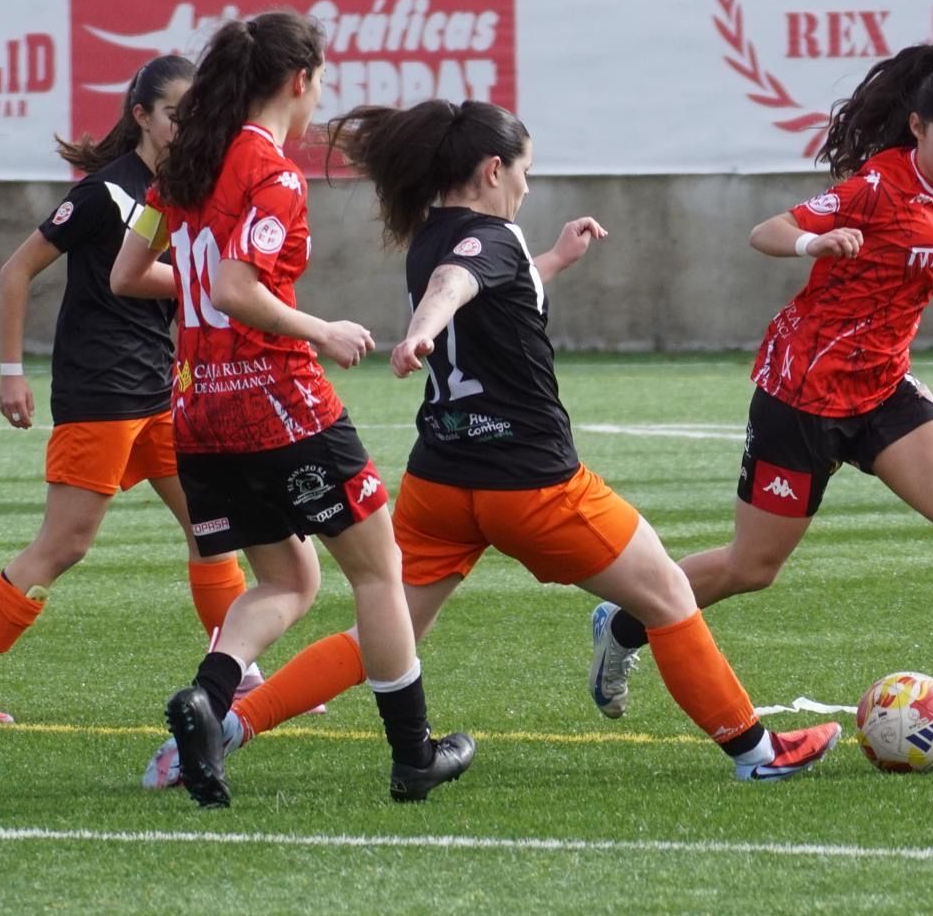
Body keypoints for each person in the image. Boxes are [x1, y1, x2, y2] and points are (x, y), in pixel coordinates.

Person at [141, 98, 840, 789]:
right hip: (533, 485)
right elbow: (462, 282)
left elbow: (486, 281)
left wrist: (554, 260)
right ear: (493, 168)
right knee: (666, 598)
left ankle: (229, 726)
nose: (529, 186)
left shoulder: (428, 237)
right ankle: (757, 752)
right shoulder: (482, 244)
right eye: (525, 171)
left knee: (387, 636)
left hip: (443, 482)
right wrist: (423, 326)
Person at [587, 44, 933, 750]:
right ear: (916, 128)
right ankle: (623, 623)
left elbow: (917, 260)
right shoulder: (875, 185)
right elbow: (769, 231)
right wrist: (812, 245)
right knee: (751, 568)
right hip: (803, 393)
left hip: (882, 386)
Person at [111, 11, 468, 807]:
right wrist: (322, 328)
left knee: (288, 577)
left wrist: (205, 291)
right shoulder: (272, 173)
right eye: (321, 81)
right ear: (299, 80)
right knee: (380, 571)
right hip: (275, 402)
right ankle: (414, 754)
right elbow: (239, 288)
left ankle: (206, 699)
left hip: (198, 409)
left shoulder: (180, 169)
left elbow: (127, 273)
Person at [0, 56, 268, 724]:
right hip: (103, 393)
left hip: (159, 391)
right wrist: (9, 371)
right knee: (66, 544)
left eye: (196, 111)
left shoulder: (183, 191)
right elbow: (14, 269)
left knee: (211, 525)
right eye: (176, 111)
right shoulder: (105, 193)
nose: (188, 123)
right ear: (141, 115)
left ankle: (241, 672)